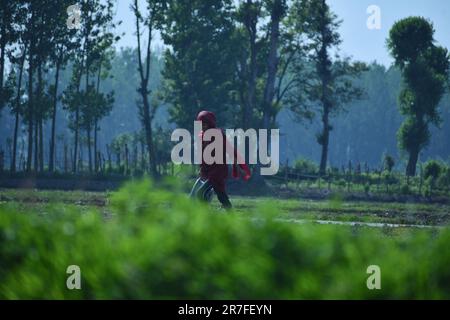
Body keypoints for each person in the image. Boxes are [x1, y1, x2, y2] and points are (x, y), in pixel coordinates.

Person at [189, 110, 251, 209]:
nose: (203, 127)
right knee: (221, 196)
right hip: (208, 172)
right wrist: (201, 169)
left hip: (217, 172)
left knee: (201, 194)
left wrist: (239, 168)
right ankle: (229, 214)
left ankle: (204, 216)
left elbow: (230, 150)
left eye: (205, 124)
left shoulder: (218, 135)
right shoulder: (202, 136)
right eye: (201, 125)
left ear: (210, 124)